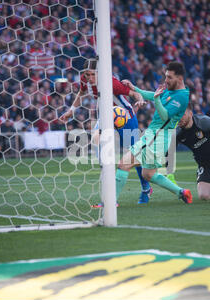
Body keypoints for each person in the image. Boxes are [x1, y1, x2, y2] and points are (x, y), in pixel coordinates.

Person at [58, 59, 153, 204]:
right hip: (106, 116)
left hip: (125, 117)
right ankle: (109, 197)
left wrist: (139, 100)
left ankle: (146, 187)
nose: (89, 78)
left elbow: (134, 93)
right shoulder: (85, 79)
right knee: (98, 144)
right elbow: (81, 93)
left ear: (99, 72)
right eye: (87, 75)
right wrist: (71, 111)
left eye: (92, 74)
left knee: (135, 155)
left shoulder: (111, 82)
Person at [114, 61, 192, 204]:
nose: (166, 80)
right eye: (165, 76)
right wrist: (135, 88)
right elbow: (152, 95)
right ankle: (181, 192)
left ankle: (110, 203)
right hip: (158, 137)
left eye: (169, 77)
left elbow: (165, 116)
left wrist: (156, 99)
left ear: (180, 79)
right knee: (148, 174)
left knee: (123, 164)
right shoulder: (172, 89)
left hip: (156, 137)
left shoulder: (181, 97)